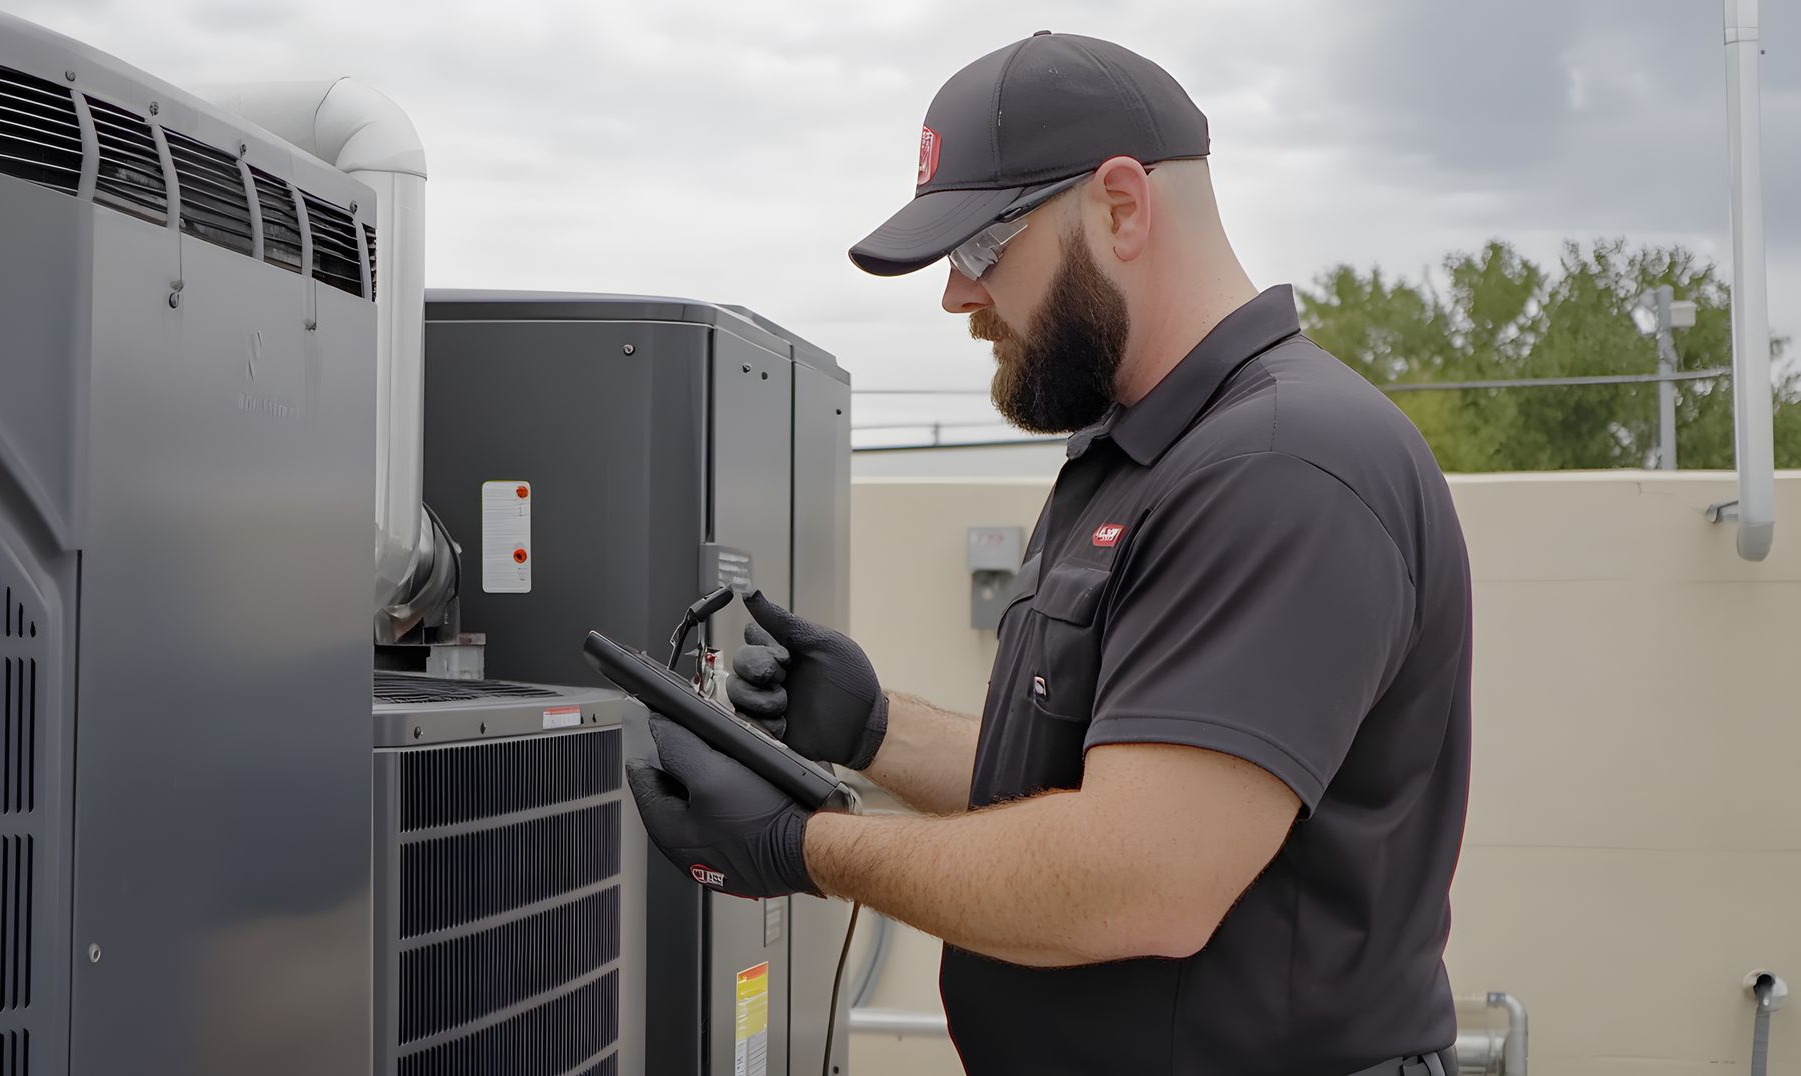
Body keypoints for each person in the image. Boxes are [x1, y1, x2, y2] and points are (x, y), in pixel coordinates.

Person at [625, 30, 1473, 1076]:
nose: (956, 296)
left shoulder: (1283, 463)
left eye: (981, 249)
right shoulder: (1137, 454)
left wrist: (803, 846)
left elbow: (1140, 875)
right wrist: (874, 727)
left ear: (1121, 206)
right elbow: (1096, 776)